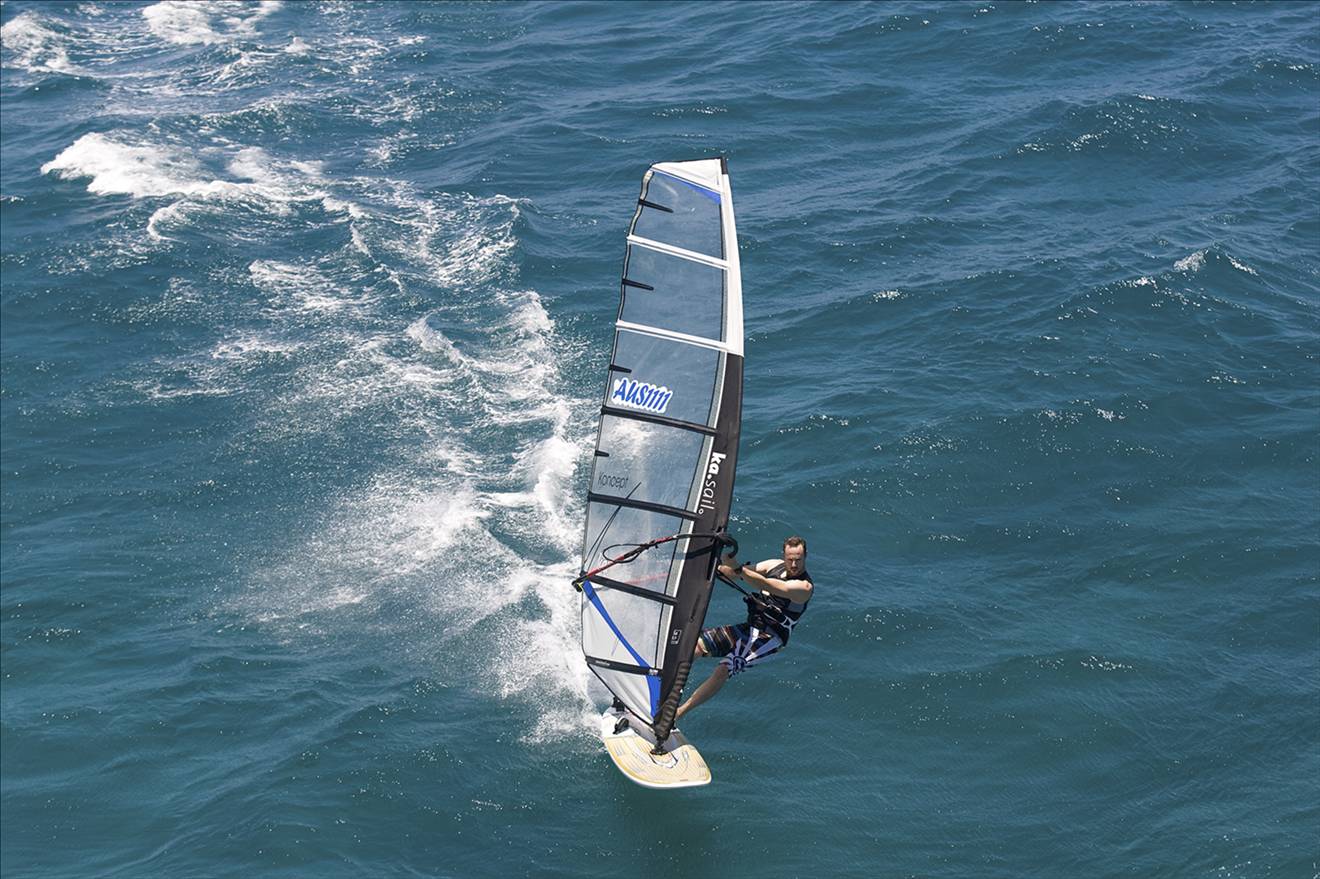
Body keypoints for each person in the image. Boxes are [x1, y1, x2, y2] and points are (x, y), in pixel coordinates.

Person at [674, 535, 814, 721]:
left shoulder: (804, 587)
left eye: (798, 560)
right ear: (784, 555)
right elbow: (736, 573)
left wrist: (738, 568)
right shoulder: (773, 565)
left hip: (768, 639)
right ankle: (664, 688)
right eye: (790, 559)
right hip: (750, 628)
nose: (794, 564)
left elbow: (764, 583)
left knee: (724, 669)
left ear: (805, 557)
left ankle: (677, 713)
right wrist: (719, 563)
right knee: (697, 646)